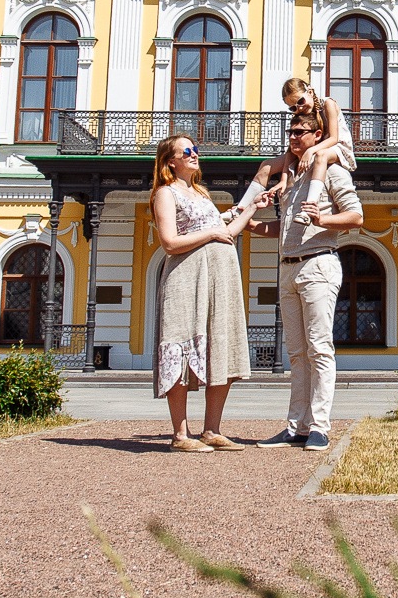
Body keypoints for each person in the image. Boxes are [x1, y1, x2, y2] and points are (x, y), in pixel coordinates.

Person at [251, 112, 363, 450]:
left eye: (301, 131)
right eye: (291, 131)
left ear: (318, 135)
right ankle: (295, 427)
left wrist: (324, 218)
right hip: (287, 267)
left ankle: (319, 427)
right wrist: (251, 224)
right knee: (296, 353)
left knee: (319, 348)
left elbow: (356, 216)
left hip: (318, 266)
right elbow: (284, 231)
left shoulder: (330, 169)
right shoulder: (292, 178)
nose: (293, 136)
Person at [149, 133, 258, 452]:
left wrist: (252, 208)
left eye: (196, 149)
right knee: (179, 346)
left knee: (220, 347)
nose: (195, 154)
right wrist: (211, 231)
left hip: (218, 283)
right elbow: (169, 242)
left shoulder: (201, 193)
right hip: (186, 281)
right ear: (172, 161)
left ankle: (212, 430)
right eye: (188, 151)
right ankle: (181, 436)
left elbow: (226, 235)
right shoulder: (165, 194)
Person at [222, 77, 352, 227]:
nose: (299, 108)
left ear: (309, 92)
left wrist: (311, 151)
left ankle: (307, 210)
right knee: (265, 165)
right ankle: (238, 211)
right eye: (293, 107)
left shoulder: (328, 104)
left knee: (321, 156)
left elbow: (334, 138)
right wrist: (283, 180)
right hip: (313, 150)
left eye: (300, 101)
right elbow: (290, 151)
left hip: (337, 148)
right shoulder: (302, 115)